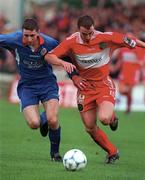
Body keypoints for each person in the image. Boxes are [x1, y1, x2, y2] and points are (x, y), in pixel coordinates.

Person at [44, 15, 145, 164]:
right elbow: (49, 57)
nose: (88, 36)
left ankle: (111, 118)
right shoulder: (71, 41)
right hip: (85, 88)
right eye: (84, 34)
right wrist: (61, 63)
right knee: (90, 127)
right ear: (78, 30)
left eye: (90, 32)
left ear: (94, 28)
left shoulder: (106, 38)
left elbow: (132, 41)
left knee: (104, 118)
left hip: (104, 84)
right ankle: (112, 152)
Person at [0, 18, 75, 162]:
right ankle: (43, 117)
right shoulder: (13, 39)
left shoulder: (50, 43)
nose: (28, 39)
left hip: (47, 84)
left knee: (53, 120)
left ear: (38, 33)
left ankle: (55, 154)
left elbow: (67, 57)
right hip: (27, 87)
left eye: (32, 35)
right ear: (22, 33)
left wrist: (75, 77)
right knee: (34, 124)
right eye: (25, 35)